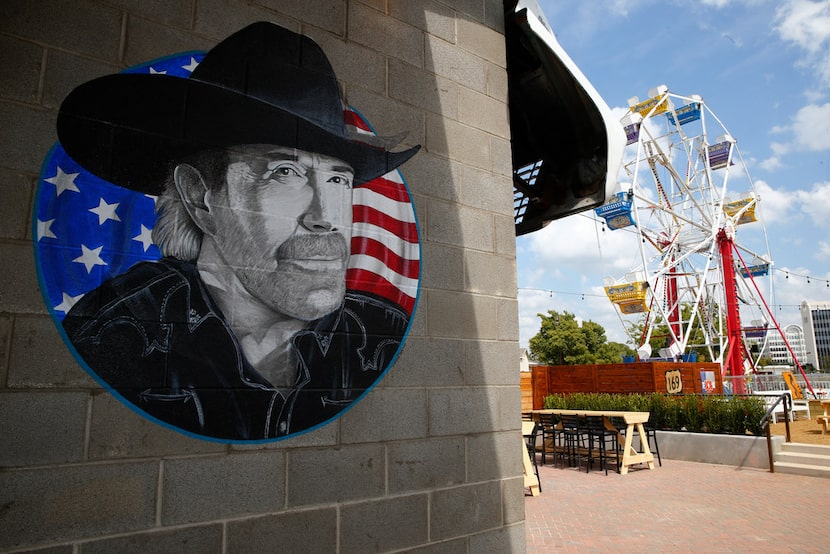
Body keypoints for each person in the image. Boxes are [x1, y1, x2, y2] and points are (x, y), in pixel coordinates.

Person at [56, 22, 420, 441]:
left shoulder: (376, 333)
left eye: (338, 180)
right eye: (285, 172)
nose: (326, 217)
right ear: (199, 198)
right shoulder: (119, 336)